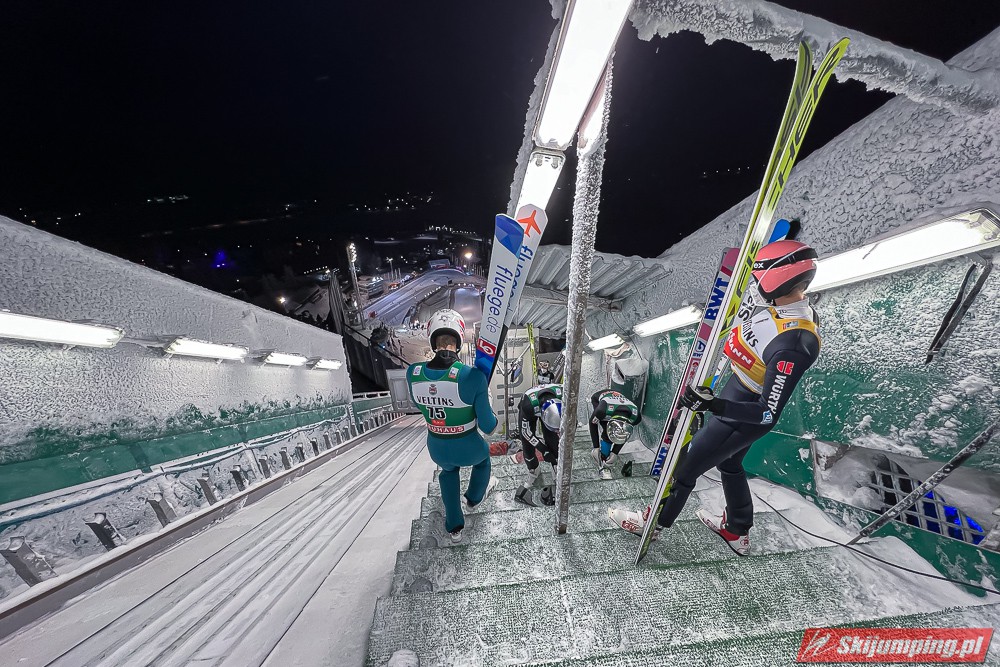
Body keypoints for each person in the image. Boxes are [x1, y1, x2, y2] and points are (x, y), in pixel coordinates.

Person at [610, 240, 821, 555]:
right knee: (730, 464)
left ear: (777, 279)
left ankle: (652, 524)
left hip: (743, 414)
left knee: (684, 469)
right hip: (738, 392)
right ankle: (737, 529)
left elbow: (767, 413)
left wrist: (714, 405)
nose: (755, 285)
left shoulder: (794, 342)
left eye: (758, 278)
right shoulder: (782, 310)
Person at [407, 309, 498, 542]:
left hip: (437, 447)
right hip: (469, 446)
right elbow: (489, 426)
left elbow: (421, 404)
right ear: (458, 341)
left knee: (448, 473)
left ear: (432, 340)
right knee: (483, 460)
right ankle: (473, 499)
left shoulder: (412, 373)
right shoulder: (472, 376)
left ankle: (454, 527)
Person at [512, 383, 563, 506]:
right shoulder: (528, 406)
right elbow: (526, 433)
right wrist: (543, 450)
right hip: (530, 410)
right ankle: (533, 469)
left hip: (551, 409)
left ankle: (556, 467)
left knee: (553, 441)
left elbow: (572, 420)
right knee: (527, 447)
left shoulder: (565, 395)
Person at [589, 388, 642, 479]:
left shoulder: (636, 418)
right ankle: (602, 459)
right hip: (602, 401)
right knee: (607, 433)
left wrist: (615, 452)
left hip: (617, 402)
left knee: (618, 433)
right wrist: (596, 447)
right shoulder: (601, 411)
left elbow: (624, 434)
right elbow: (592, 423)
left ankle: (605, 458)